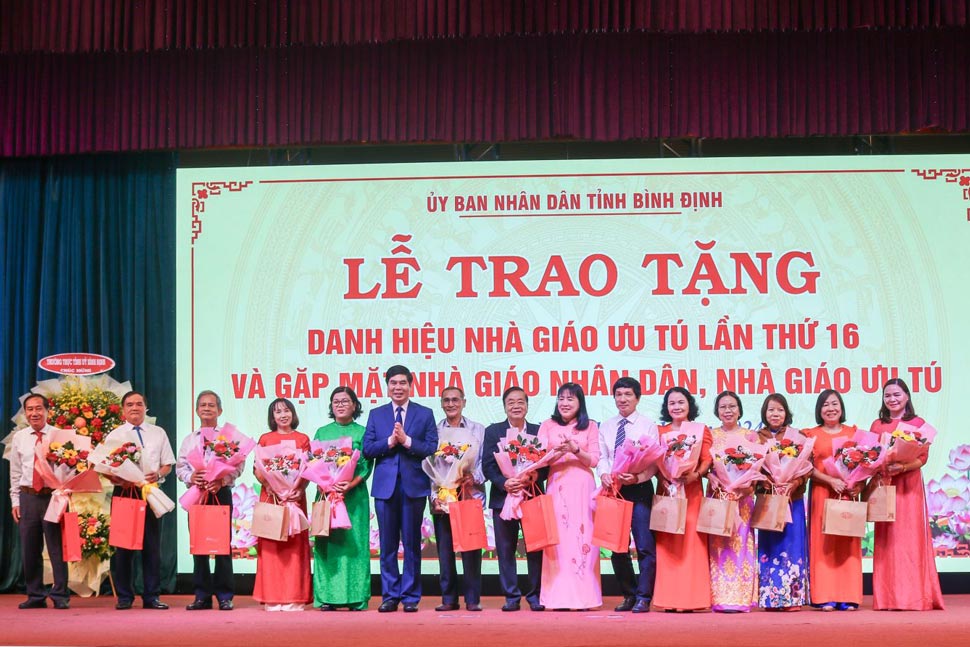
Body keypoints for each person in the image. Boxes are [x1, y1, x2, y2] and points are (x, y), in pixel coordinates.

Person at [363, 365, 438, 613]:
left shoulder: (424, 414)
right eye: (393, 383)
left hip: (414, 488)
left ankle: (410, 597)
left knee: (412, 544)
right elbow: (368, 449)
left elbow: (430, 447)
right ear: (387, 386)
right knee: (388, 545)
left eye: (402, 383)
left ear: (410, 384)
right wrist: (389, 442)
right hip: (385, 489)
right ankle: (389, 595)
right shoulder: (377, 414)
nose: (398, 387)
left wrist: (406, 441)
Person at [869, 378, 944, 610]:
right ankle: (888, 598)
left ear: (907, 397)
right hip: (885, 484)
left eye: (897, 395)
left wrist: (901, 466)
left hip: (909, 485)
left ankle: (912, 597)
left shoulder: (918, 424)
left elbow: (922, 458)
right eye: (887, 395)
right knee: (887, 540)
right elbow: (871, 454)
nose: (892, 399)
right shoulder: (877, 425)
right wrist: (880, 465)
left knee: (909, 539)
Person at [596, 377, 659, 613]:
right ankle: (629, 594)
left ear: (638, 398)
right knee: (617, 546)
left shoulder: (648, 424)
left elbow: (654, 462)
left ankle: (644, 596)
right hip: (613, 490)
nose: (622, 399)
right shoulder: (607, 425)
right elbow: (602, 456)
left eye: (628, 394)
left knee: (644, 546)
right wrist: (603, 474)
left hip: (639, 488)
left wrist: (637, 477)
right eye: (618, 394)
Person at [537, 382, 602, 610]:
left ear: (580, 403)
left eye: (570, 399)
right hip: (557, 485)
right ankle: (557, 597)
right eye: (561, 398)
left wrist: (575, 449)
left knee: (583, 538)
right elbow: (539, 459)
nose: (564, 403)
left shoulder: (591, 426)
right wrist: (556, 453)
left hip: (583, 487)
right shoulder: (547, 425)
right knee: (558, 540)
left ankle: (585, 597)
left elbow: (594, 460)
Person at [110, 391, 176, 610]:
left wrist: (158, 474)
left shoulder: (158, 433)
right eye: (130, 404)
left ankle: (151, 596)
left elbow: (168, 463)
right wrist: (117, 477)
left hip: (150, 493)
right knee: (124, 548)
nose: (135, 408)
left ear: (146, 408)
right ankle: (125, 597)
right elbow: (104, 468)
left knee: (151, 547)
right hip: (124, 493)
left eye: (139, 404)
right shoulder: (115, 435)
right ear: (123, 410)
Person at [481, 386, 545, 612]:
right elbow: (487, 465)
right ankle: (511, 596)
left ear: (527, 405)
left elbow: (547, 465)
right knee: (505, 549)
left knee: (535, 548)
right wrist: (504, 482)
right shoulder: (493, 431)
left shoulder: (539, 431)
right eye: (511, 402)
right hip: (503, 497)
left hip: (531, 495)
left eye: (521, 402)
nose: (516, 406)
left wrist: (533, 476)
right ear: (504, 406)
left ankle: (535, 595)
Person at [176, 390, 241, 611]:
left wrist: (221, 482)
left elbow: (238, 466)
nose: (206, 408)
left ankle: (224, 596)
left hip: (220, 493)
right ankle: (201, 596)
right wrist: (190, 477)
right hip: (197, 493)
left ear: (219, 410)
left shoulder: (229, 438)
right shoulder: (189, 439)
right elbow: (181, 467)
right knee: (199, 546)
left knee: (222, 545)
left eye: (211, 405)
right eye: (202, 405)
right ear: (196, 410)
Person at [6, 393, 70, 609]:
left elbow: (70, 467)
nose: (34, 413)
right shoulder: (20, 437)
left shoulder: (60, 435)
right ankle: (35, 595)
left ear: (47, 411)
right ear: (25, 413)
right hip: (28, 497)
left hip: (53, 496)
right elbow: (15, 471)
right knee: (30, 548)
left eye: (38, 408)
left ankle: (60, 595)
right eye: (30, 409)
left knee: (56, 548)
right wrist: (15, 501)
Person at [313, 386, 374, 611]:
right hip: (326, 495)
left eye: (345, 401)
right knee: (327, 543)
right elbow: (312, 463)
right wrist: (326, 485)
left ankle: (356, 597)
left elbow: (367, 465)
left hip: (353, 497)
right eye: (335, 401)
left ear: (355, 406)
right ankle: (327, 597)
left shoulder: (363, 432)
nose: (340, 404)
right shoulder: (321, 432)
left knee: (354, 544)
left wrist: (349, 484)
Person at [652, 386, 713, 612]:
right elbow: (653, 461)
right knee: (668, 544)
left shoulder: (700, 430)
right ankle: (669, 599)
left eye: (681, 402)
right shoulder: (659, 431)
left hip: (692, 492)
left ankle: (691, 599)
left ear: (690, 405)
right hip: (667, 491)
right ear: (666, 407)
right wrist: (665, 477)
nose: (676, 407)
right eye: (672, 403)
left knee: (692, 543)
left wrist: (695, 474)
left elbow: (707, 460)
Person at [804, 389, 862, 611]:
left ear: (841, 407)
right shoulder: (810, 434)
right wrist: (830, 480)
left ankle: (849, 596)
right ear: (819, 410)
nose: (831, 408)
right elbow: (806, 466)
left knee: (847, 543)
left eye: (835, 404)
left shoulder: (853, 433)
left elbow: (865, 463)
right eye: (825, 404)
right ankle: (824, 596)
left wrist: (859, 484)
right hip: (823, 492)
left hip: (847, 493)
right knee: (824, 544)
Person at [430, 386, 486, 611]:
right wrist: (434, 496)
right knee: (445, 550)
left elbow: (482, 461)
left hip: (470, 495)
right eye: (446, 400)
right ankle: (449, 598)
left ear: (464, 402)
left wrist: (473, 477)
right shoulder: (433, 432)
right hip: (443, 498)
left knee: (471, 549)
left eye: (455, 400)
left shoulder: (478, 430)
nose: (451, 404)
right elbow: (430, 468)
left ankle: (473, 599)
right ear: (441, 404)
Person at [253, 398, 311, 611]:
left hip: (294, 498)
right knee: (272, 546)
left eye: (287, 410)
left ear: (293, 414)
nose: (283, 415)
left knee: (295, 547)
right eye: (278, 412)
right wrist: (269, 485)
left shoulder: (302, 439)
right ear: (272, 417)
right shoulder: (265, 439)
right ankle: (272, 597)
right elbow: (258, 468)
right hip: (272, 498)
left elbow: (308, 469)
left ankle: (295, 597)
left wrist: (300, 488)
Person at [754, 393, 808, 611]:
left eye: (779, 410)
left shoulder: (798, 437)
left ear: (786, 413)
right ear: (764, 414)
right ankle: (770, 598)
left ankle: (793, 598)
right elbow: (751, 468)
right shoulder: (756, 438)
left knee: (792, 547)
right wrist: (764, 482)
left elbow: (807, 469)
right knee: (771, 547)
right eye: (770, 410)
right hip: (769, 502)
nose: (775, 414)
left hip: (792, 501)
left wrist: (793, 483)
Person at [707, 391, 758, 613]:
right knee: (719, 545)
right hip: (719, 497)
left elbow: (758, 469)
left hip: (742, 499)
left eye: (732, 406)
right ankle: (719, 596)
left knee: (742, 545)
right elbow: (704, 467)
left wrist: (747, 487)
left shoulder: (751, 437)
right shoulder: (710, 435)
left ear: (739, 409)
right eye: (723, 407)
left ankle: (742, 598)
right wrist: (711, 477)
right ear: (717, 411)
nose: (727, 411)